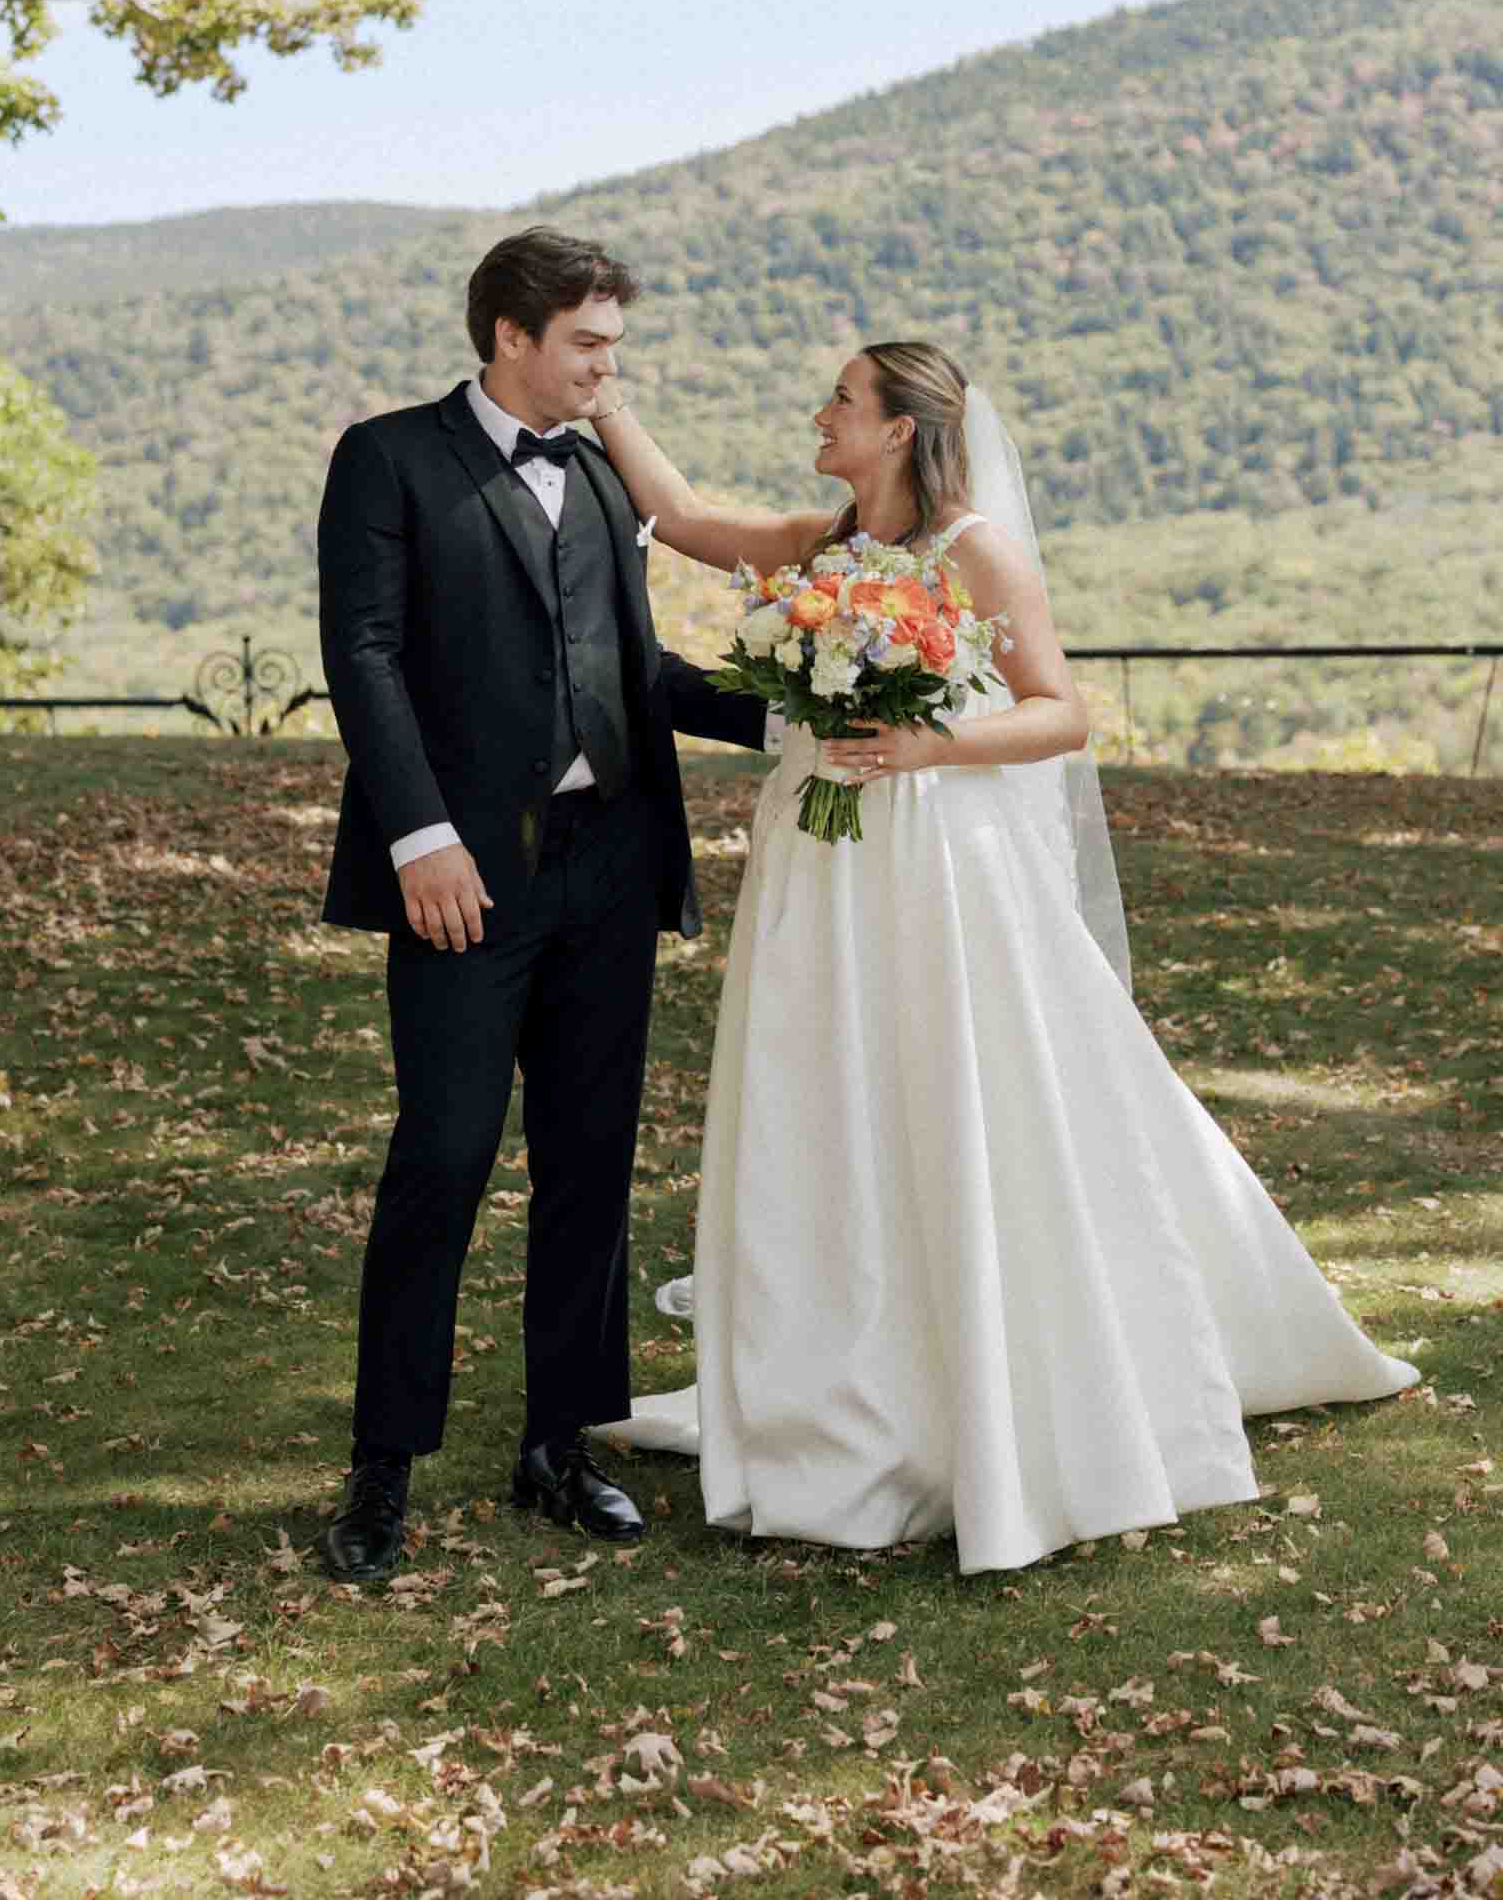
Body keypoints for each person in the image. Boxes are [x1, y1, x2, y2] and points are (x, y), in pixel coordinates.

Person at [585, 343, 1419, 1573]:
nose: (819, 414)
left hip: (931, 857)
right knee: (827, 1093)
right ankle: (838, 1379)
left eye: (840, 400)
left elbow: (1059, 710)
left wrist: (931, 746)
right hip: (818, 859)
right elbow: (683, 516)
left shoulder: (975, 549)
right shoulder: (820, 546)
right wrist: (604, 401)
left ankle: (984, 1374)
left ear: (898, 430)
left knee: (950, 1090)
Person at [313, 227, 772, 1585]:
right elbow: (364, 654)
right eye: (587, 344)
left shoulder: (599, 473)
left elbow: (638, 665)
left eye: (613, 345)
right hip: (463, 877)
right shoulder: (388, 458)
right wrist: (420, 839)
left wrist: (798, 715)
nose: (606, 370)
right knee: (443, 1157)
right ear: (510, 335)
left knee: (591, 1162)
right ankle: (383, 1466)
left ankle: (560, 1446)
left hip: (609, 866)